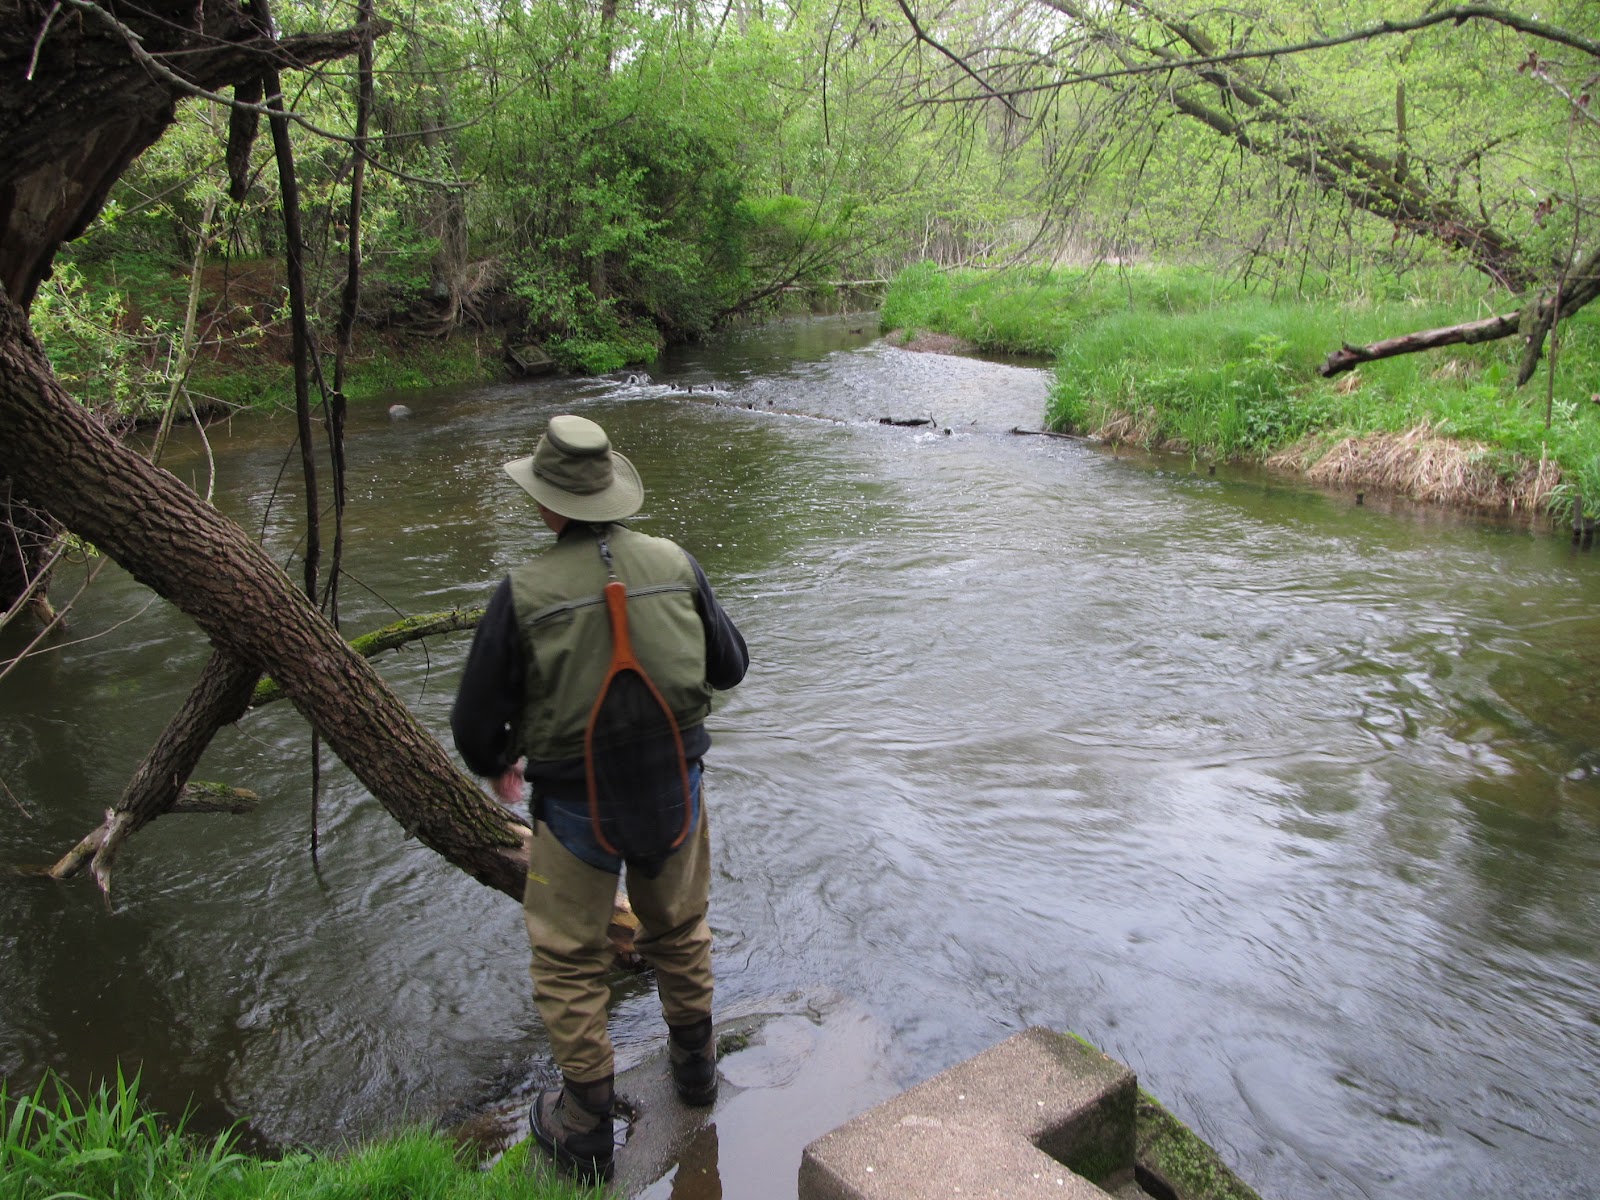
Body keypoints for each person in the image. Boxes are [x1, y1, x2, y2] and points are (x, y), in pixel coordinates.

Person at [451, 414, 749, 1182]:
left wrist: (498, 762)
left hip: (574, 806)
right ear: (611, 493)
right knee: (680, 929)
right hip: (673, 791)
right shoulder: (676, 563)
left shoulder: (520, 594)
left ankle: (583, 1122)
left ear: (548, 505)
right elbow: (729, 666)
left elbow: (475, 728)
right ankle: (695, 1071)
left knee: (568, 957)